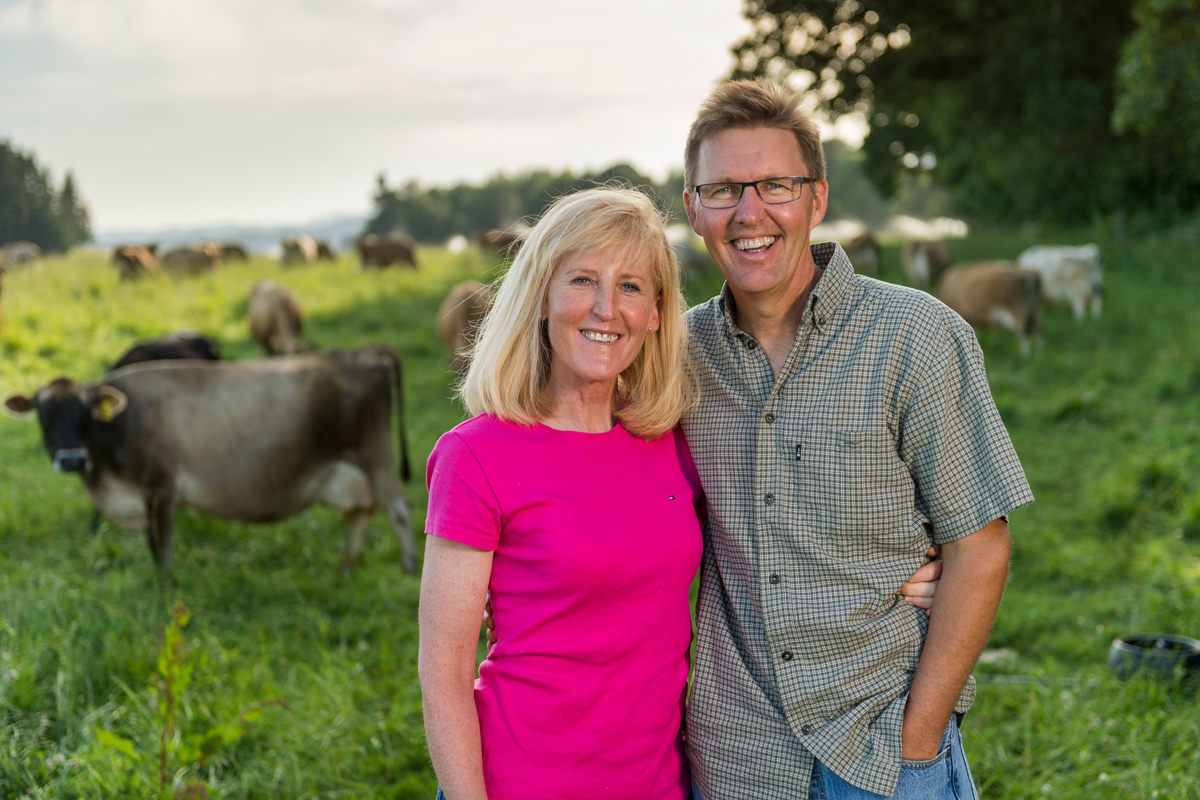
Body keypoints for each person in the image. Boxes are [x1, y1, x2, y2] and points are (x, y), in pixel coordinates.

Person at [417, 186, 942, 800]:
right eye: (583, 280)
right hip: (525, 779)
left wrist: (894, 566)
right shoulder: (476, 454)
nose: (606, 309)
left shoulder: (668, 441)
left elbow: (770, 528)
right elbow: (444, 671)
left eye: (632, 286)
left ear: (658, 312)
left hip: (663, 781)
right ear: (541, 298)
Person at [678, 81, 1034, 800]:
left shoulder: (918, 336)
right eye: (721, 190)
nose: (750, 213)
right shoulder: (672, 358)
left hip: (882, 746)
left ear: (816, 198)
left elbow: (978, 545)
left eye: (775, 185)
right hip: (735, 755)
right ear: (693, 210)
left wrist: (918, 740)